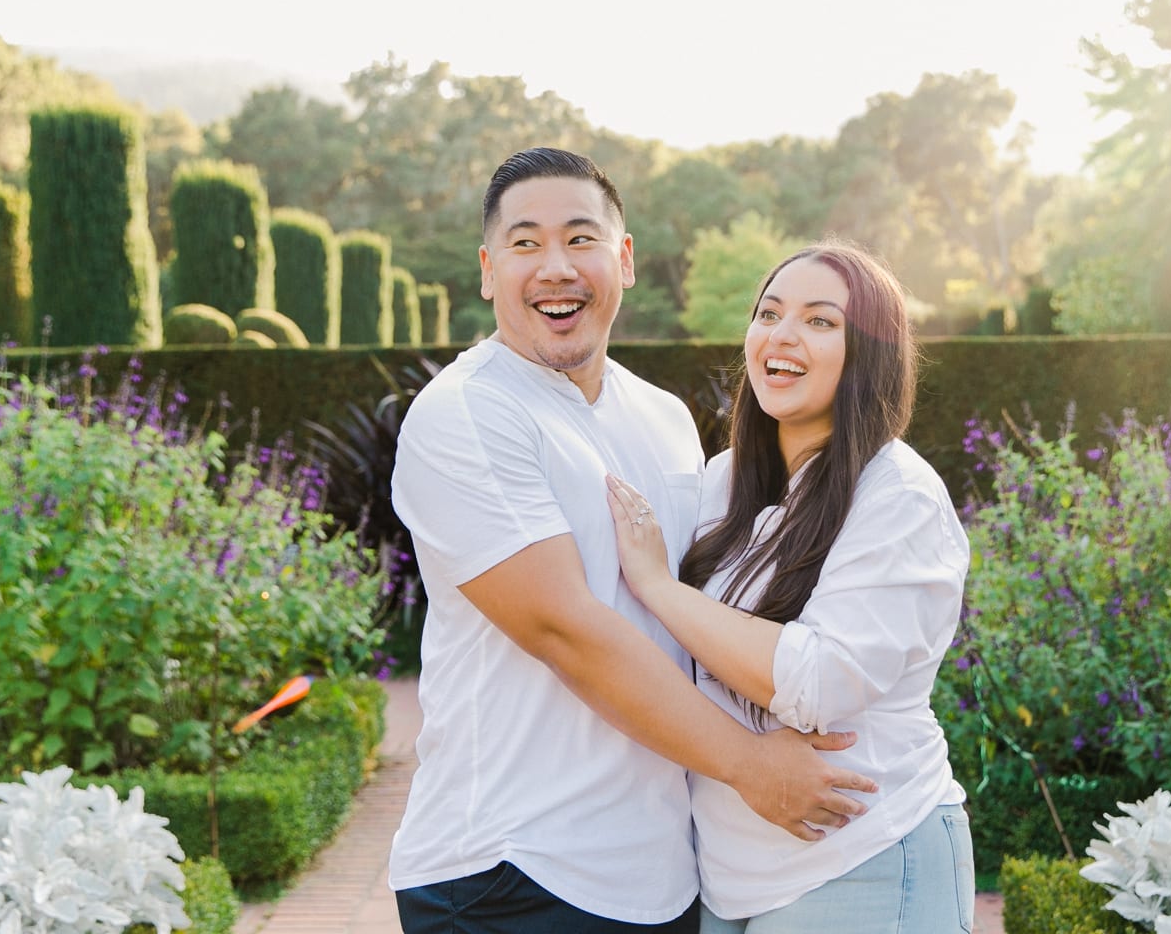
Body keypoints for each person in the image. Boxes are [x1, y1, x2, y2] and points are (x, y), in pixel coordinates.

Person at [388, 148, 877, 934]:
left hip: (663, 876)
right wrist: (753, 767)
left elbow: (699, 608)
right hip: (510, 872)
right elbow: (567, 630)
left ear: (625, 260)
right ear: (487, 271)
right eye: (524, 243)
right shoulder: (466, 416)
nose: (555, 267)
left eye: (581, 239)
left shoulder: (664, 419)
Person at [605, 241, 976, 933]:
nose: (781, 335)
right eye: (769, 313)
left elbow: (823, 683)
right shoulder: (719, 484)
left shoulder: (897, 496)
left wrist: (661, 586)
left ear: (870, 352)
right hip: (727, 879)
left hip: (863, 859)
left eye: (819, 321)